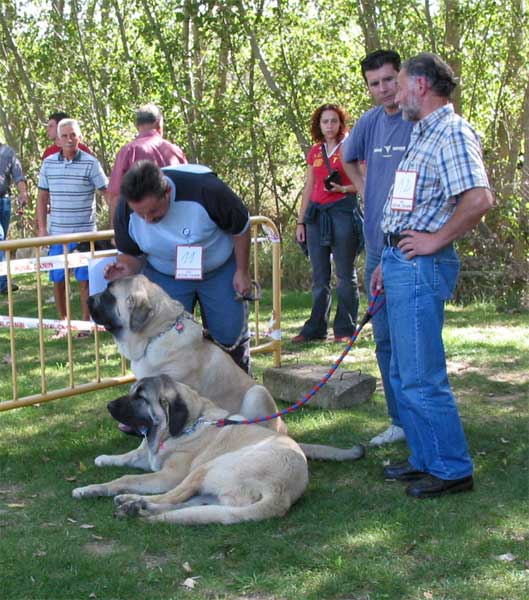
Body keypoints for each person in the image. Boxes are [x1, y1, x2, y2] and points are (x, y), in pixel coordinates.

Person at [372, 52, 494, 498]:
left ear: (420, 86)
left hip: (422, 264)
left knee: (423, 373)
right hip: (402, 263)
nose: (395, 92)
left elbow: (479, 199)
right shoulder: (422, 132)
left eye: (400, 84)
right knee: (404, 372)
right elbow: (409, 204)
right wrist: (388, 260)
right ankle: (425, 458)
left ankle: (451, 468)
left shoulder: (452, 132)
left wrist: (434, 240)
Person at [105, 160, 252, 373]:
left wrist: (242, 271)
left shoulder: (206, 190)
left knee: (229, 333)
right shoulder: (124, 210)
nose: (147, 219)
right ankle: (174, 398)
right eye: (140, 214)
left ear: (167, 191)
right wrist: (124, 270)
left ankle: (238, 391)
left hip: (218, 267)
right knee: (166, 337)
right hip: (165, 272)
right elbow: (132, 257)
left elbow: (241, 228)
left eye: (153, 211)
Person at [342, 50, 414, 447]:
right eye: (375, 83)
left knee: (413, 339)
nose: (384, 90)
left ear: (401, 77)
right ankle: (398, 420)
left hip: (412, 245)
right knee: (383, 337)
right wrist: (365, 188)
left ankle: (422, 417)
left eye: (389, 80)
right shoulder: (370, 123)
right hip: (376, 246)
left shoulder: (419, 117)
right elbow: (347, 157)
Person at [293, 104, 361, 344]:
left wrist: (343, 188)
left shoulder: (350, 147)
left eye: (334, 121)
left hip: (343, 212)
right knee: (319, 276)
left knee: (344, 274)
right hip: (316, 217)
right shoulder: (315, 151)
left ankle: (345, 328)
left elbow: (364, 181)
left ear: (341, 123)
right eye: (325, 122)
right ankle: (315, 328)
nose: (330, 126)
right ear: (318, 125)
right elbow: (309, 186)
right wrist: (301, 222)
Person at [37, 119, 108, 334]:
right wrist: (42, 229)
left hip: (85, 235)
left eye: (73, 135)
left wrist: (115, 225)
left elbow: (108, 194)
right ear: (58, 140)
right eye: (65, 136)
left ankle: (86, 326)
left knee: (85, 281)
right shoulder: (48, 163)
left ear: (80, 137)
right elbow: (41, 198)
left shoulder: (91, 163)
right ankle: (63, 324)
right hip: (57, 236)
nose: (69, 139)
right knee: (58, 281)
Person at [106, 103, 187, 225]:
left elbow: (115, 196)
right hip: (177, 225)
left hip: (140, 228)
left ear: (137, 125)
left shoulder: (128, 151)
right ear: (159, 123)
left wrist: (115, 232)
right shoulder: (174, 150)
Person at [0, 142, 29, 295]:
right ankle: (2, 283)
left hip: (3, 201)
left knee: (2, 242)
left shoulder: (7, 152)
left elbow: (18, 175)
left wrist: (23, 193)